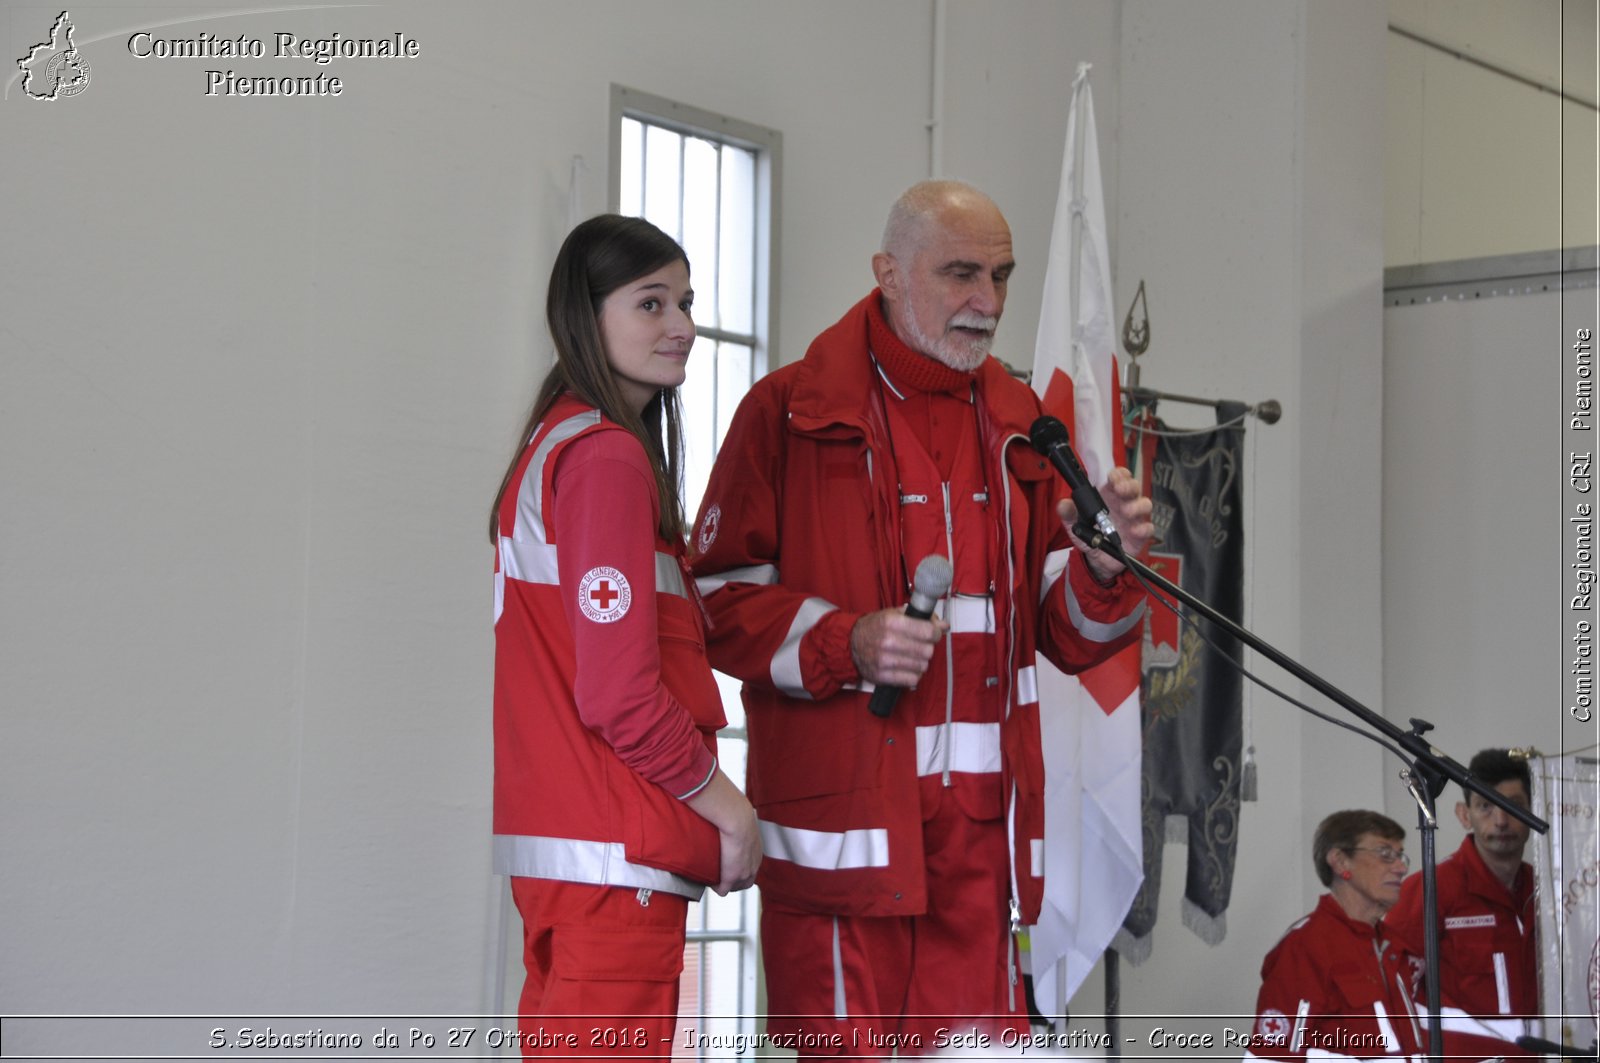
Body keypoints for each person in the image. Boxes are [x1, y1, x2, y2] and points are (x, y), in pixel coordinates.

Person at [687, 179, 1152, 1049]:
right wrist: (844, 639)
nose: (990, 303)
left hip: (980, 867)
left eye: (1004, 277)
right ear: (889, 274)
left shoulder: (1026, 428)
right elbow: (713, 604)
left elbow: (1067, 634)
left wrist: (1103, 569)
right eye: (963, 274)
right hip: (841, 858)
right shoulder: (787, 413)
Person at [488, 214, 762, 1057]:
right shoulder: (605, 458)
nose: (680, 324)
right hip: (612, 867)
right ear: (587, 315)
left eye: (684, 301)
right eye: (650, 303)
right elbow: (620, 693)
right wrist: (732, 811)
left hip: (579, 867)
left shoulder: (557, 444)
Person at [1385, 749, 1539, 1061]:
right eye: (1486, 806)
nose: (1501, 820)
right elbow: (1391, 988)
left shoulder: (1548, 892)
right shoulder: (1431, 889)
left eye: (1513, 806)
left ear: (1533, 811)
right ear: (1463, 814)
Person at [1244, 810, 1426, 1062]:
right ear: (1340, 862)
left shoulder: (1396, 945)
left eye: (1400, 855)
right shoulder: (1305, 946)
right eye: (1385, 854)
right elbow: (1272, 1057)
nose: (1401, 867)